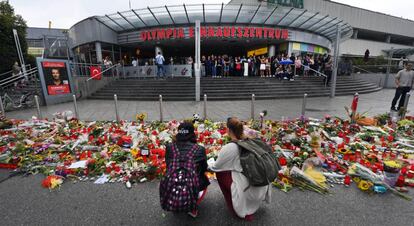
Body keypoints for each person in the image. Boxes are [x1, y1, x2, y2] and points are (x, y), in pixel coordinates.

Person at [209, 117, 271, 221]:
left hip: (248, 190)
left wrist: (208, 164)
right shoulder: (252, 141)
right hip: (262, 185)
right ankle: (246, 203)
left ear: (228, 130)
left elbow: (216, 167)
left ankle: (237, 208)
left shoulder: (230, 147)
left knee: (220, 174)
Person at [161, 122, 210, 218]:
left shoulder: (170, 147)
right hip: (193, 186)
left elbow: (168, 166)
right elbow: (204, 168)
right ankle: (192, 207)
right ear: (192, 133)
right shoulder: (200, 149)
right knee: (203, 178)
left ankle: (174, 200)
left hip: (172, 184)